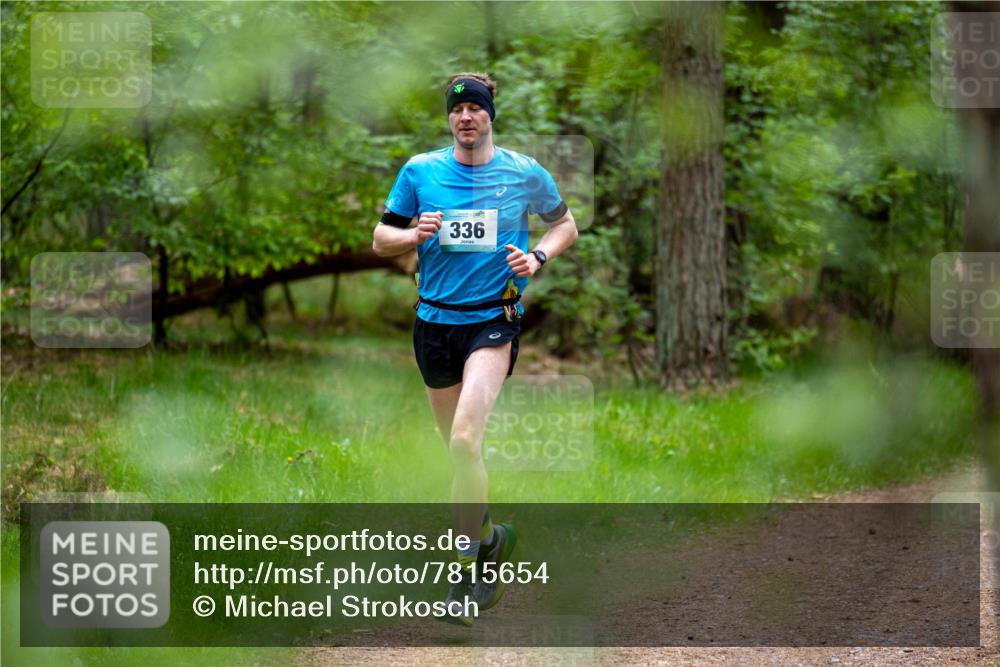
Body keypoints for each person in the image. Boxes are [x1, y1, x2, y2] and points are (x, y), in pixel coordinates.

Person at [372, 72, 578, 626]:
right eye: (457, 109)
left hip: (493, 321)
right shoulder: (420, 171)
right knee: (457, 451)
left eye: (476, 109)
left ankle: (465, 578)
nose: (467, 117)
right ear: (449, 119)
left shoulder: (522, 172)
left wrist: (538, 258)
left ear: (491, 115)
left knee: (465, 440)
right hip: (433, 325)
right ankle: (489, 538)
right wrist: (414, 234)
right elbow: (379, 238)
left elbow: (565, 225)